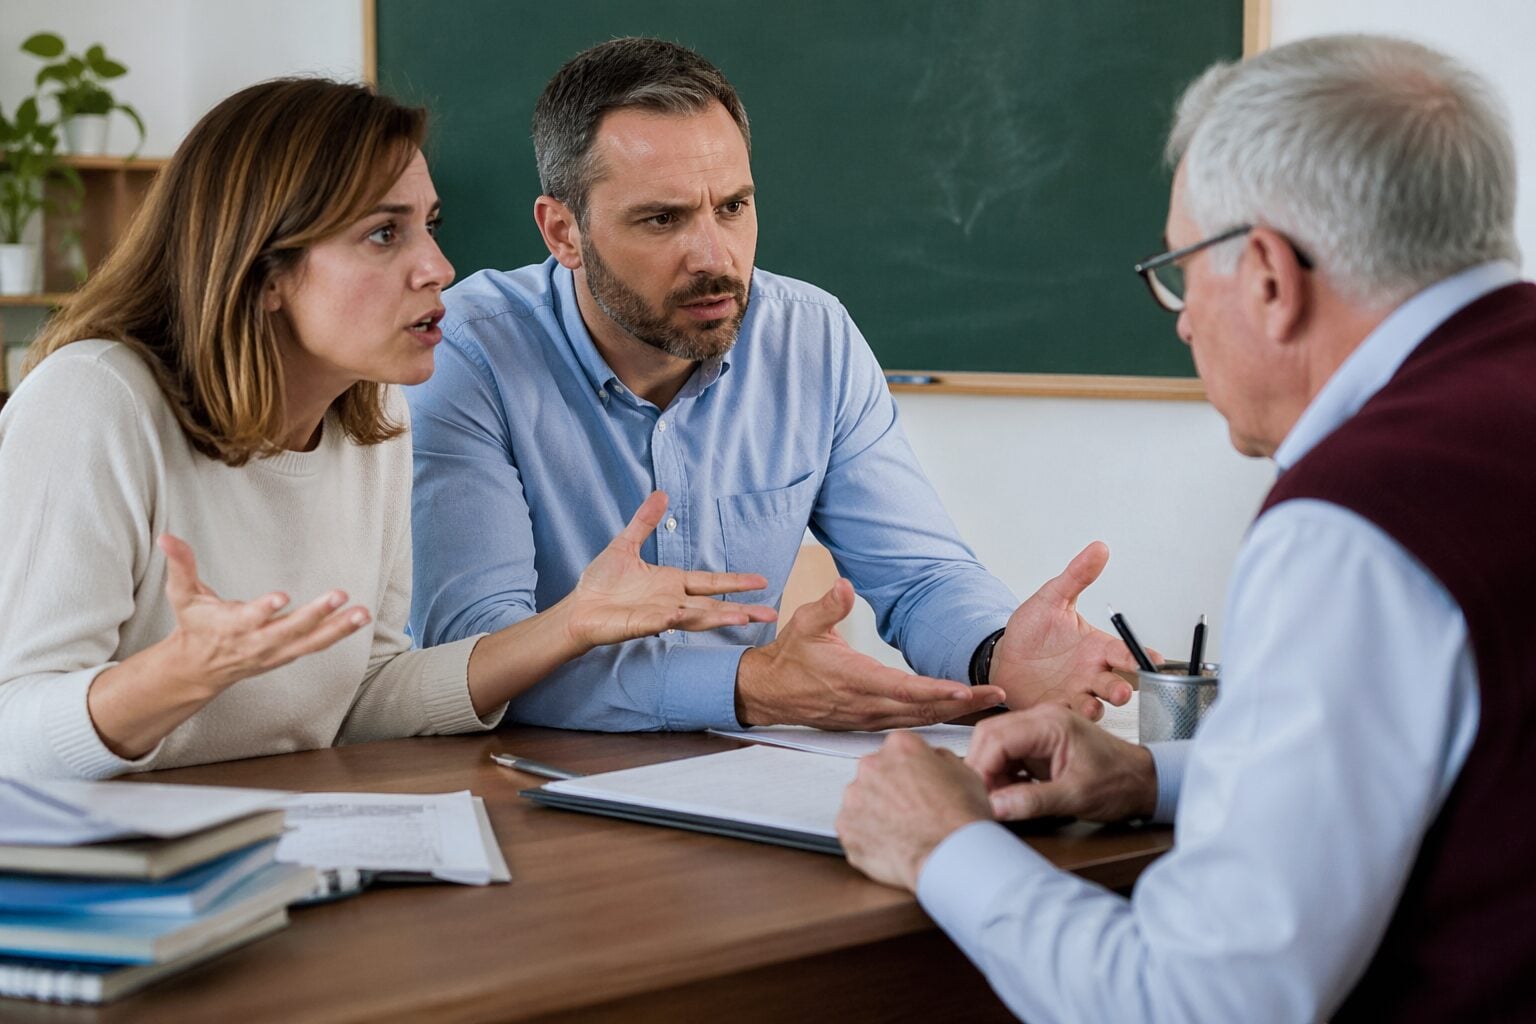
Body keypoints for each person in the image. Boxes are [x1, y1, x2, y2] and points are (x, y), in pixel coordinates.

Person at [836, 33, 1535, 1022]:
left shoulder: (1359, 522)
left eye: (1180, 271)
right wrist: (1151, 774)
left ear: (1265, 275)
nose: (1180, 320)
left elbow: (1201, 1001)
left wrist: (940, 843)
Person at [0, 78, 776, 781]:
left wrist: (569, 627)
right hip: (102, 884)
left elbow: (365, 696)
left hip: (275, 845)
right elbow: (16, 731)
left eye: (429, 225)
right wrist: (179, 676)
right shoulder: (94, 400)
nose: (437, 266)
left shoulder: (373, 420)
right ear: (265, 272)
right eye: (384, 234)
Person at [407, 37, 1141, 733]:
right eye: (662, 219)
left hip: (735, 782)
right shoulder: (469, 355)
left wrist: (997, 651)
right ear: (563, 232)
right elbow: (478, 652)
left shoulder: (811, 339)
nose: (714, 256)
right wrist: (745, 686)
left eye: (732, 207)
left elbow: (918, 577)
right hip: (519, 789)